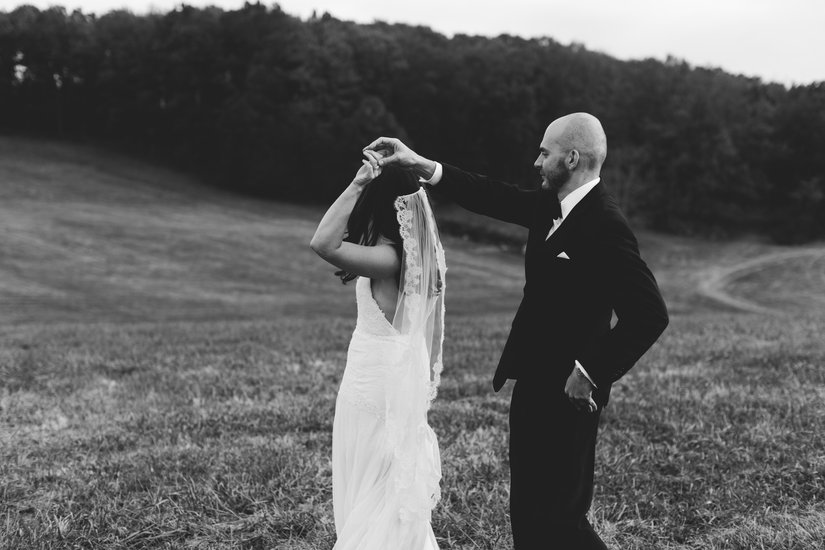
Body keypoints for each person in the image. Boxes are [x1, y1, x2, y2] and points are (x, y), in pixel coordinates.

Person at [364, 112, 669, 549]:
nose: (535, 161)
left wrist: (590, 373)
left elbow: (649, 313)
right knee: (527, 511)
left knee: (562, 517)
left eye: (545, 153)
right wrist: (419, 164)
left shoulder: (605, 223)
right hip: (531, 382)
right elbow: (490, 194)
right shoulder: (550, 204)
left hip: (570, 394)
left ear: (572, 158)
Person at [310, 152, 446, 550]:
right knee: (389, 482)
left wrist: (357, 184)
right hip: (397, 373)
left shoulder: (388, 260)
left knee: (373, 484)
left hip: (373, 386)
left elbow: (322, 242)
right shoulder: (424, 261)